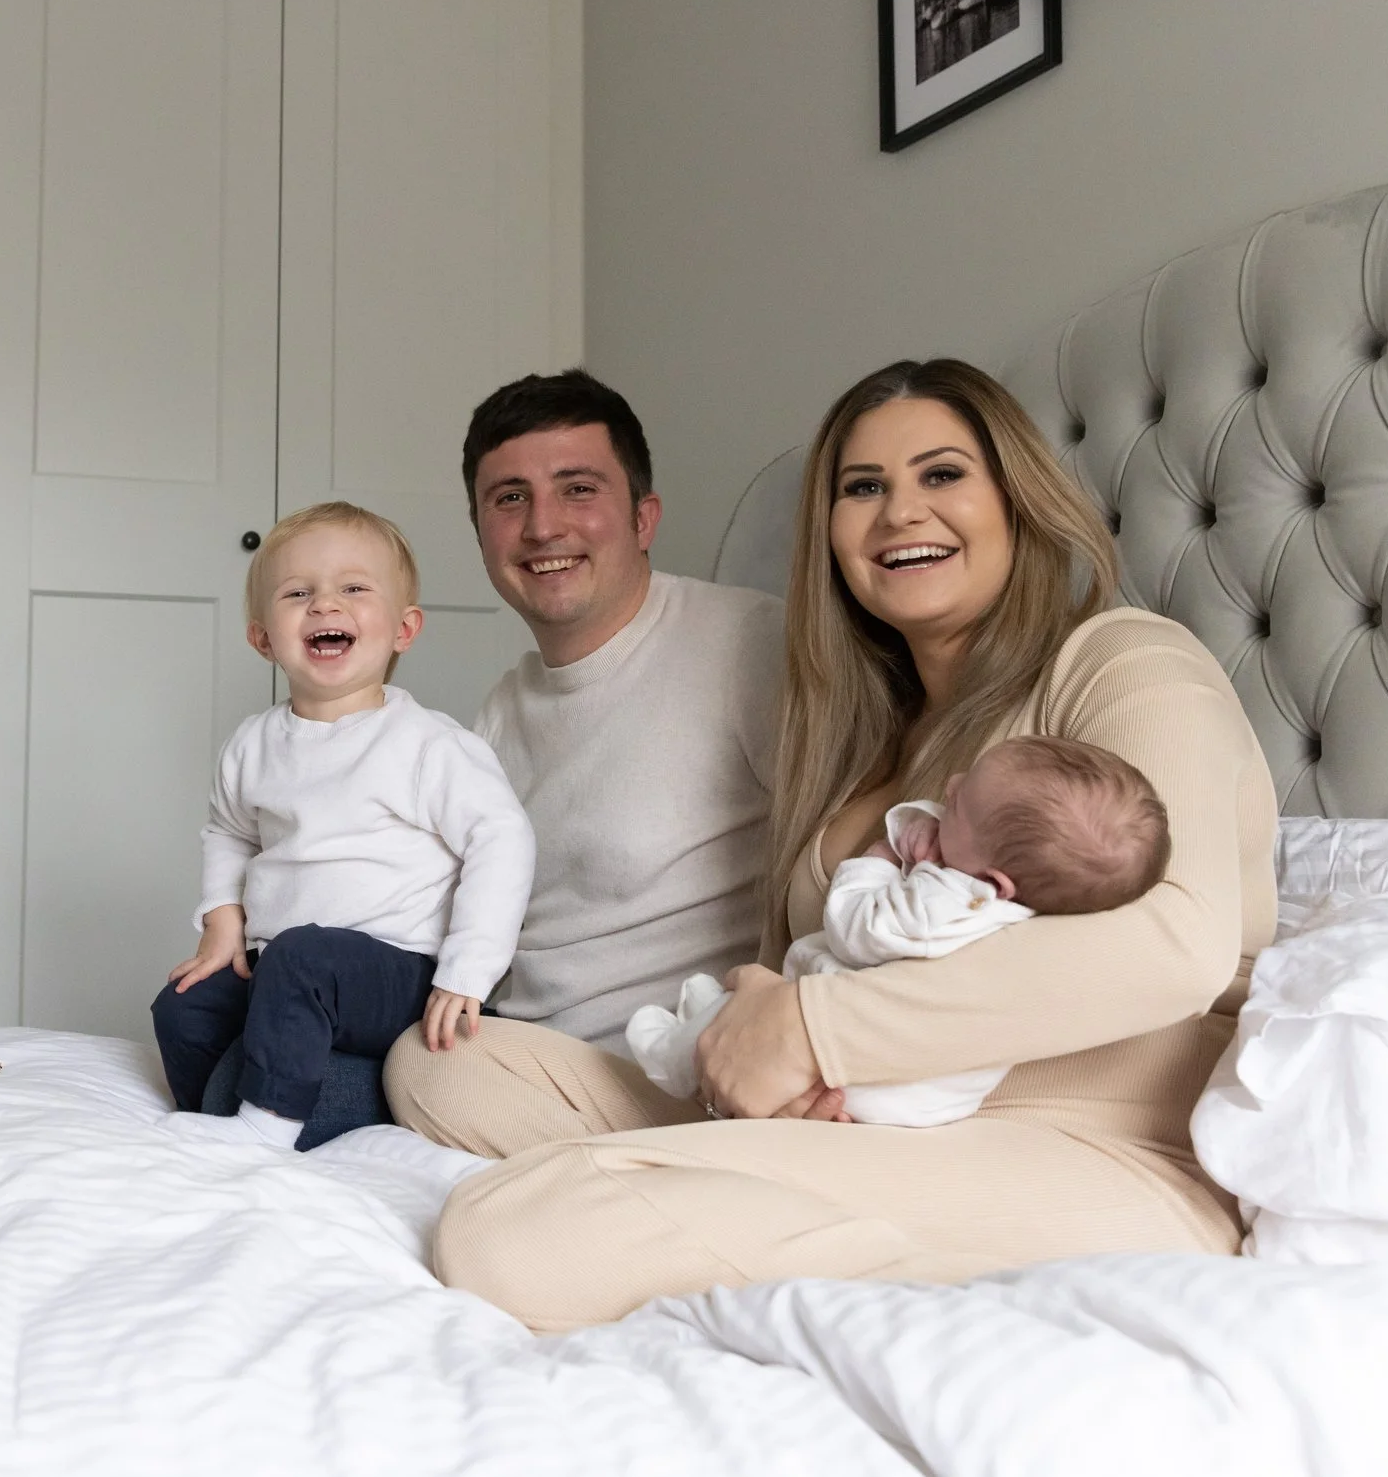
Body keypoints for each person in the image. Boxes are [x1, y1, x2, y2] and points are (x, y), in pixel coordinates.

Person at [419, 358, 1277, 1331]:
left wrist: (812, 1030)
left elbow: (1177, 944)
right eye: (863, 487)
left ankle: (884, 1282)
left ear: (1014, 498)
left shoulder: (1121, 660)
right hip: (867, 1117)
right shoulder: (862, 728)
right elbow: (814, 954)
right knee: (440, 1062)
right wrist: (760, 1007)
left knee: (507, 1231)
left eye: (941, 474)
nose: (900, 511)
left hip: (1093, 1142)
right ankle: (759, 1202)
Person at [380, 371, 786, 1146]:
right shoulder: (499, 712)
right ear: (480, 534)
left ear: (644, 517)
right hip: (514, 1049)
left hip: (667, 1072)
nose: (542, 526)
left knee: (420, 1068)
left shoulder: (751, 645)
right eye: (509, 499)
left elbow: (832, 874)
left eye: (577, 489)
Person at [150, 502, 535, 1149]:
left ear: (404, 628)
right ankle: (214, 1116)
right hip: (288, 973)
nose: (325, 604)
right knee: (185, 1004)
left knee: (304, 954)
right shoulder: (254, 743)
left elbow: (502, 839)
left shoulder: (425, 743)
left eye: (354, 588)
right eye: (298, 592)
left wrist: (467, 971)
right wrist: (223, 920)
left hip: (400, 972)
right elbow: (229, 829)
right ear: (263, 637)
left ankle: (263, 1131)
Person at [627, 733, 1173, 1127]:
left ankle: (668, 1052)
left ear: (994, 882)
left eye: (957, 805)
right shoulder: (1011, 905)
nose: (951, 784)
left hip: (861, 1080)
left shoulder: (949, 901)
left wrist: (880, 858)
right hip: (921, 1102)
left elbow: (856, 928)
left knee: (706, 1032)